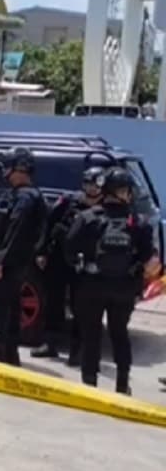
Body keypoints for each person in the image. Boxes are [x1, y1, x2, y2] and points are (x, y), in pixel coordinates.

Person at [65, 167, 159, 394]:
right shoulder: (138, 223)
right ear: (122, 192)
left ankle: (89, 385)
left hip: (91, 285)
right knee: (119, 334)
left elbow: (68, 249)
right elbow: (151, 261)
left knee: (91, 335)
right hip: (124, 288)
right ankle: (122, 384)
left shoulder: (88, 218)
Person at [31, 166, 105, 362]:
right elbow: (48, 224)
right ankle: (50, 343)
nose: (92, 189)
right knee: (53, 301)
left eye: (96, 184)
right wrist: (42, 251)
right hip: (59, 258)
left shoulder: (105, 209)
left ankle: (77, 350)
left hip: (84, 263)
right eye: (88, 183)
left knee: (80, 307)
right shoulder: (69, 201)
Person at [0, 147, 48, 366]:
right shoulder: (22, 195)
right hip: (17, 262)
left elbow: (15, 230)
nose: (6, 171)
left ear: (20, 168)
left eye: (9, 166)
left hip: (11, 263)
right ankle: (9, 355)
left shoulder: (26, 198)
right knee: (10, 308)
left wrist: (0, 260)